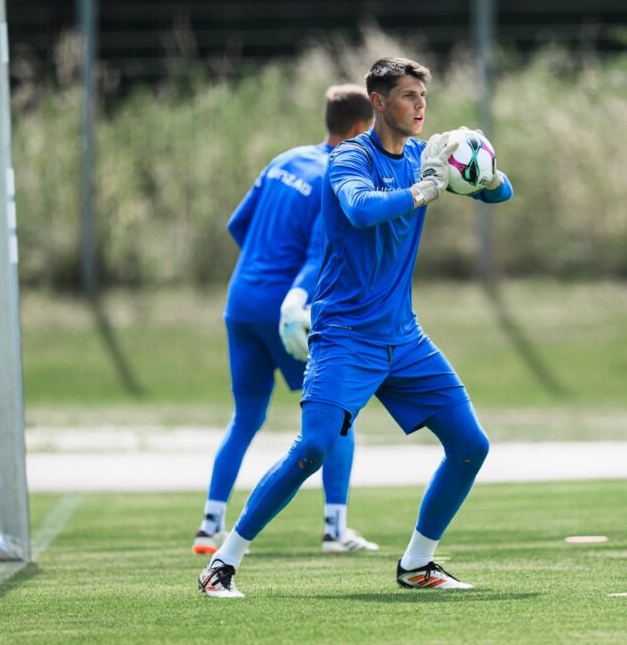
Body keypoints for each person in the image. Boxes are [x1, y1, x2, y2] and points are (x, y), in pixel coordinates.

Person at [198, 56, 513, 598]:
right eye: (409, 95)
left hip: (404, 338)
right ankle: (221, 563)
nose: (420, 106)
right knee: (313, 448)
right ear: (378, 102)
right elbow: (363, 210)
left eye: (423, 96)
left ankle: (418, 565)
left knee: (470, 445)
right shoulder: (347, 159)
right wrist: (425, 191)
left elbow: (500, 195)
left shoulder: (421, 155)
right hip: (344, 336)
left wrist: (481, 169)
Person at [192, 84, 378, 558]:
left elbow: (239, 224)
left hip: (240, 303)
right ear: (361, 128)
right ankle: (335, 529)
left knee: (246, 418)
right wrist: (293, 294)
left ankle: (209, 525)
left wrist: (262, 267)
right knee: (337, 417)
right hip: (287, 314)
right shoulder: (335, 176)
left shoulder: (284, 160)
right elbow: (321, 255)